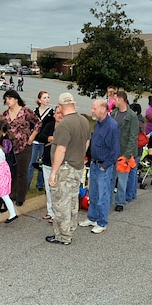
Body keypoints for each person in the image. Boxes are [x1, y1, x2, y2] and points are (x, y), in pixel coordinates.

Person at [46, 92, 90, 245]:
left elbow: (61, 149)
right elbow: (86, 143)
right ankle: (70, 228)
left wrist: (53, 173)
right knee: (72, 200)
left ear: (60, 106)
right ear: (74, 104)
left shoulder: (65, 124)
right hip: (77, 166)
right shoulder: (84, 121)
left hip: (65, 168)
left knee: (61, 202)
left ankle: (63, 236)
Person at [79, 99, 118, 234]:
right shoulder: (98, 124)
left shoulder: (112, 126)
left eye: (94, 108)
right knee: (93, 193)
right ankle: (92, 217)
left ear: (103, 109)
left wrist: (105, 165)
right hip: (94, 163)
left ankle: (102, 222)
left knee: (103, 195)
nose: (92, 111)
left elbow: (115, 150)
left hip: (103, 166)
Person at [1, 89, 41, 207]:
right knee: (11, 172)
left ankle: (20, 197)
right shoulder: (5, 114)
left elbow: (38, 122)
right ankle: (11, 194)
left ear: (16, 99)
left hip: (24, 146)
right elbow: (1, 129)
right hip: (9, 148)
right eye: (6, 99)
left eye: (10, 98)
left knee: (22, 172)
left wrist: (32, 136)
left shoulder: (25, 112)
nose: (7, 101)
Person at [110, 91, 138, 212]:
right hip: (113, 151)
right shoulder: (114, 114)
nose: (113, 101)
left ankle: (120, 201)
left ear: (121, 99)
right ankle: (109, 199)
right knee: (110, 178)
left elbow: (133, 136)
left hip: (124, 152)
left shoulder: (132, 116)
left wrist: (127, 155)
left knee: (122, 180)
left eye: (115, 99)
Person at [29, 91, 53, 192]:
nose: (47, 99)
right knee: (31, 163)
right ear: (39, 100)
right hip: (35, 141)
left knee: (43, 164)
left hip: (45, 142)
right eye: (44, 97)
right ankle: (27, 184)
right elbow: (30, 125)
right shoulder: (34, 112)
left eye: (48, 97)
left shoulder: (51, 112)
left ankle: (40, 184)